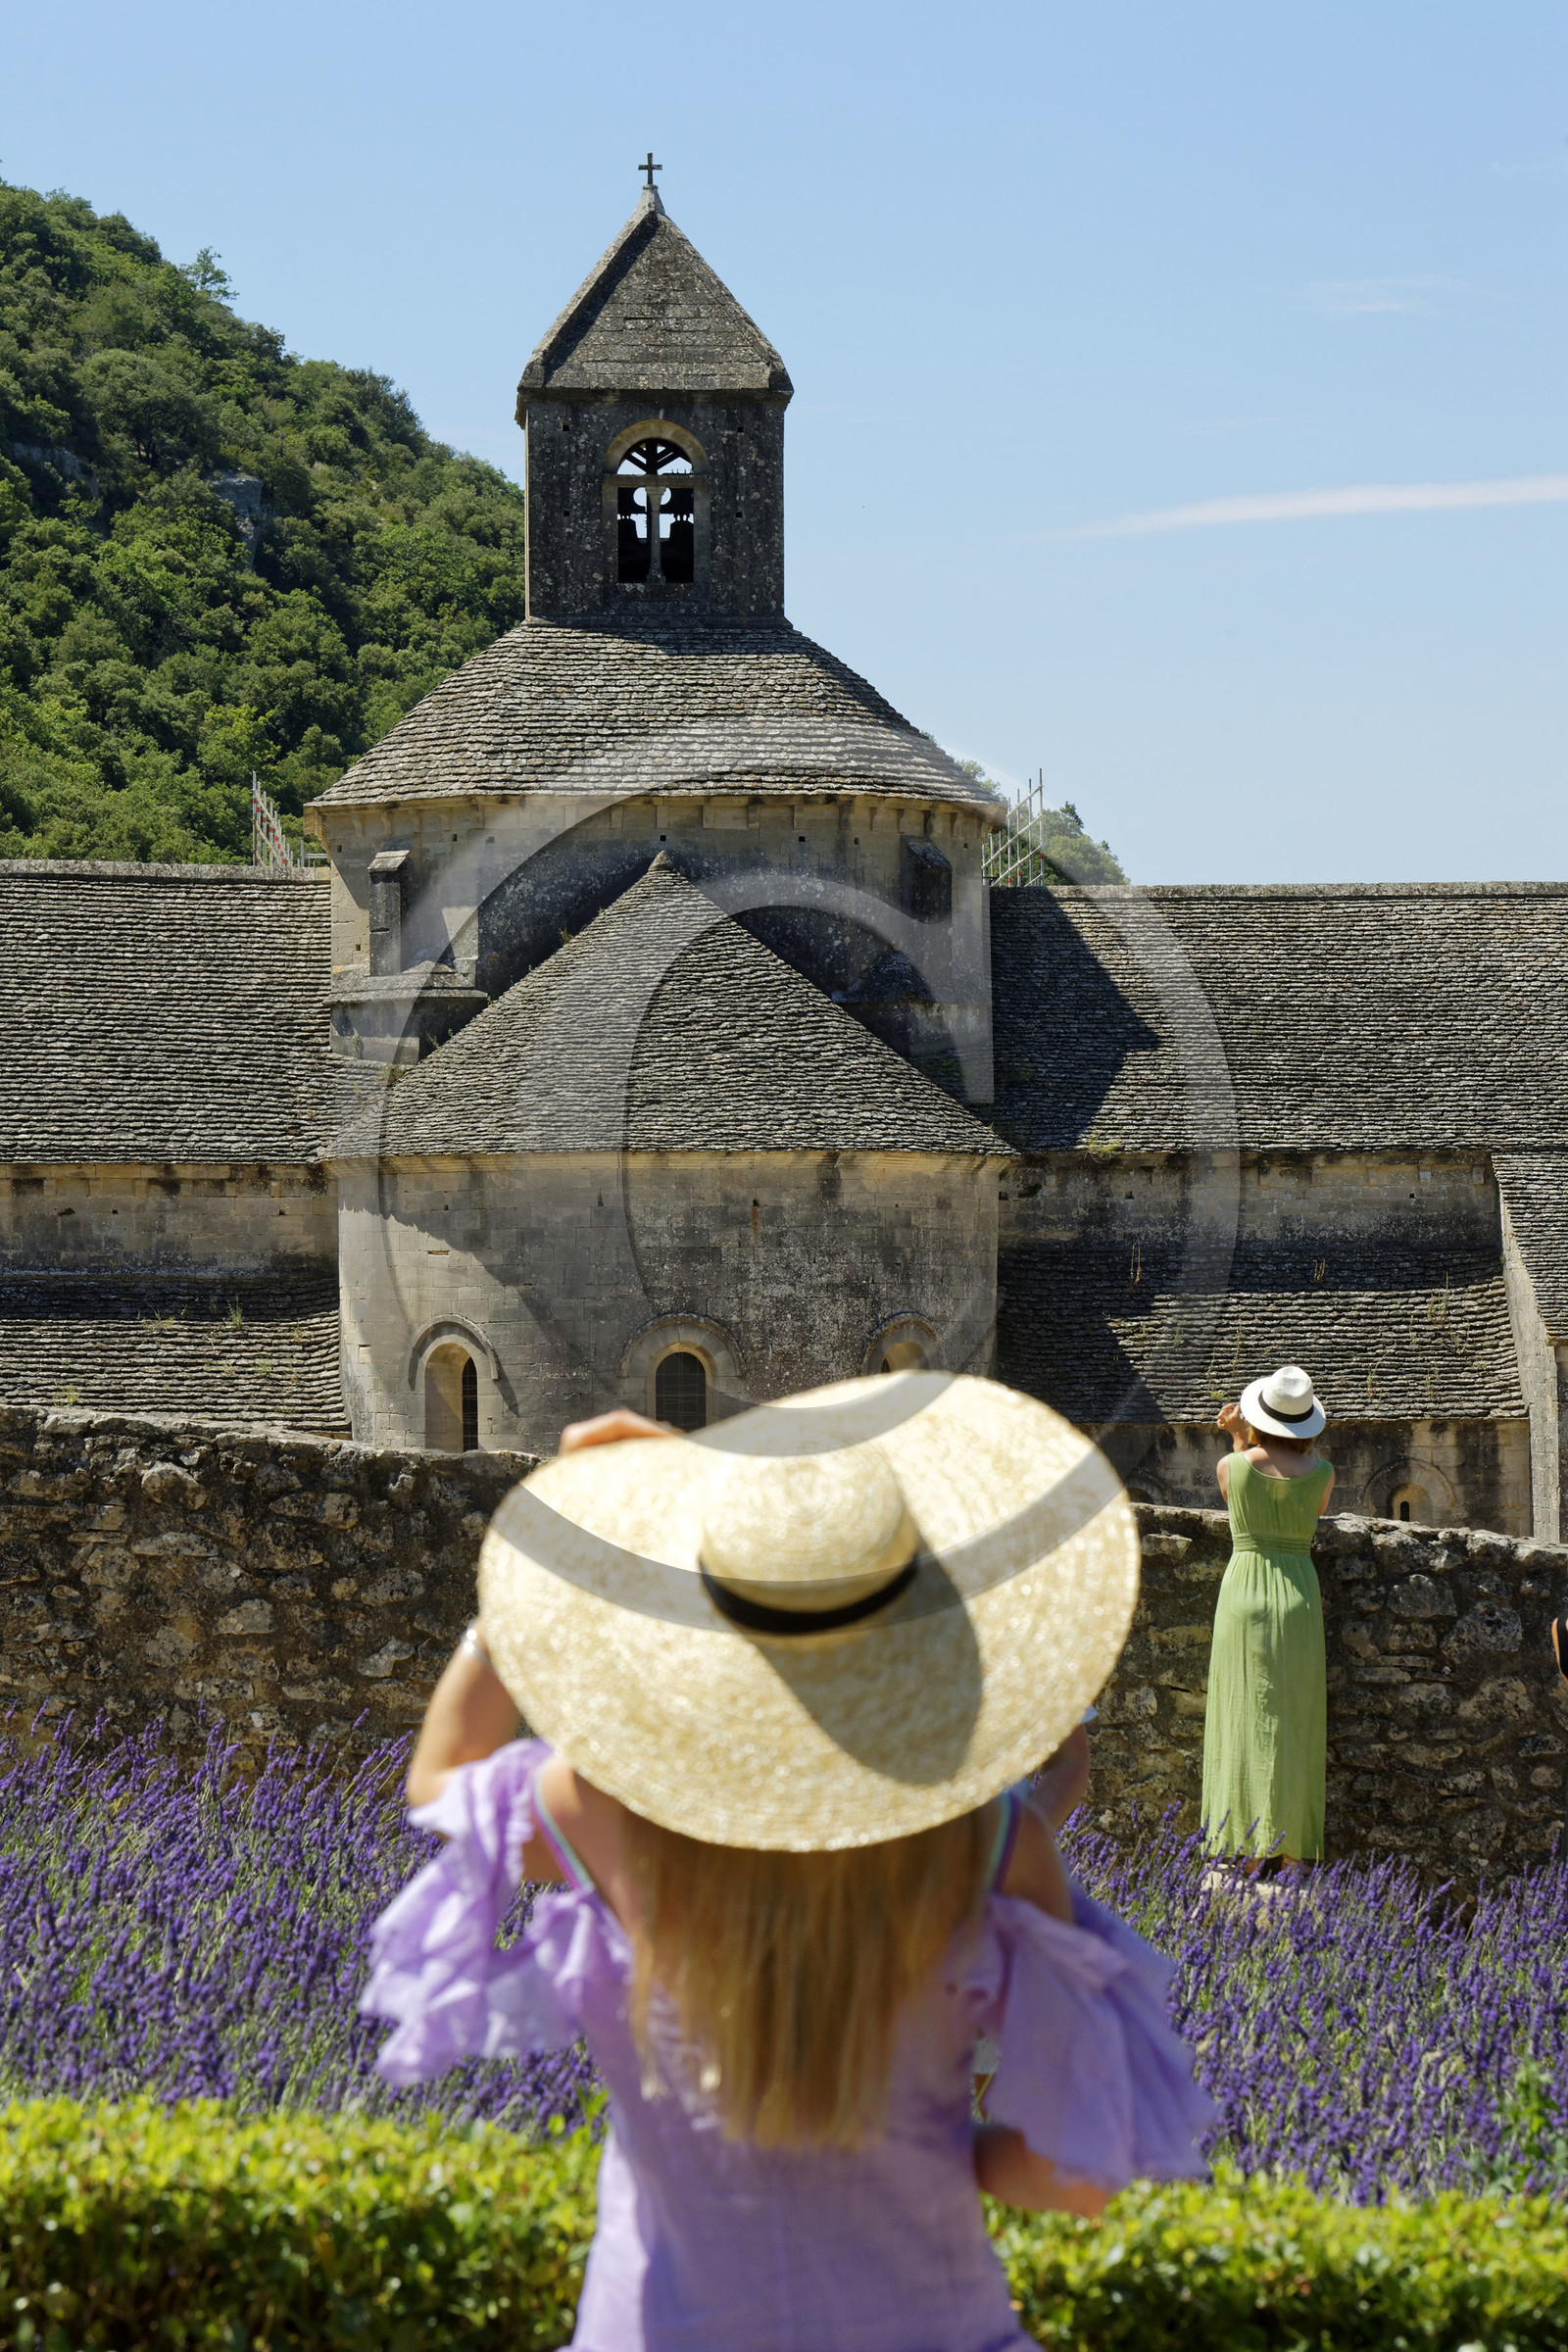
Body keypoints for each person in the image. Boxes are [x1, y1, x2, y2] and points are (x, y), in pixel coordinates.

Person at [363, 1372, 1213, 2352]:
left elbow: (443, 1788)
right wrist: (940, 2150)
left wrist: (539, 1572)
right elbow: (1074, 2173)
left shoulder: (604, 1810)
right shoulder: (991, 1846)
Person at [1201, 1364, 1336, 1875]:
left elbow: (1247, 1485)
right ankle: (1295, 1855)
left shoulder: (1228, 1467)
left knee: (1241, 1717)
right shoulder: (1323, 1475)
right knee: (1294, 1722)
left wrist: (1239, 1437)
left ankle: (1248, 1851)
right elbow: (1298, 1501)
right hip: (1297, 1594)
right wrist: (1247, 1435)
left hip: (1243, 1594)